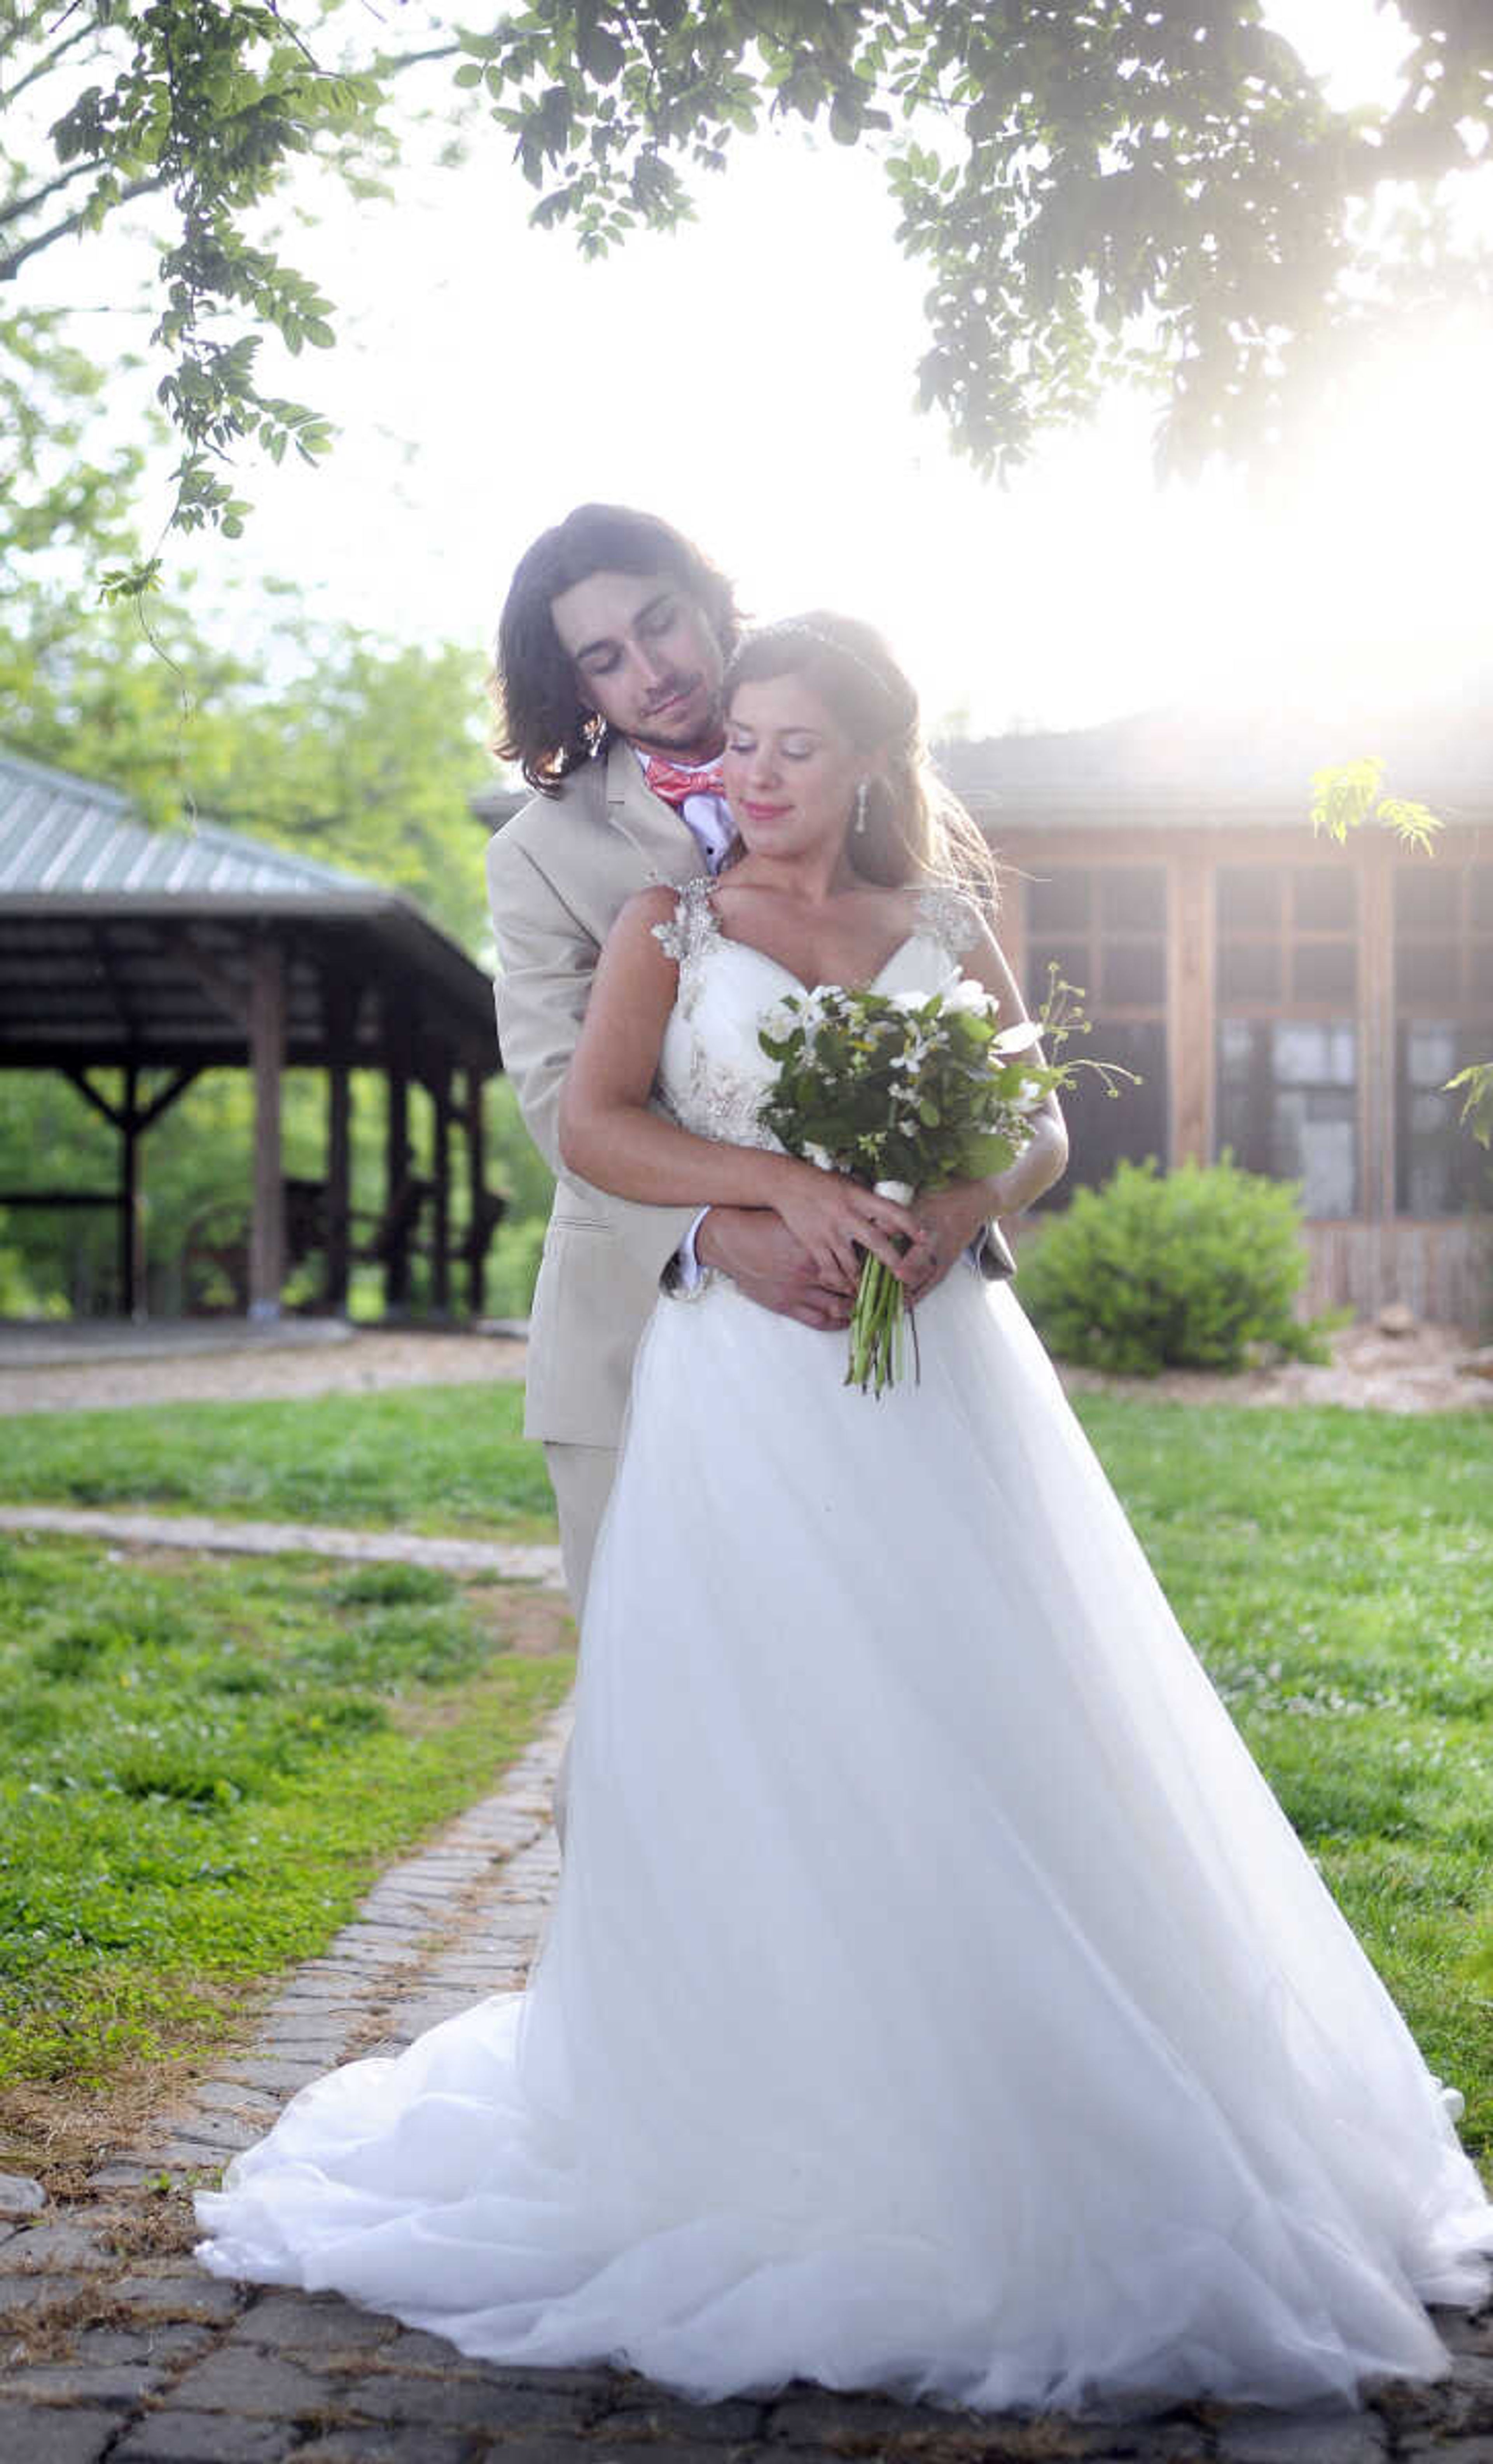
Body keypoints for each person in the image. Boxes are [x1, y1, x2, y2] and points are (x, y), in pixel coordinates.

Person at [195, 615, 1492, 2418]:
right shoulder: (674, 927)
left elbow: (1033, 1116)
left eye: (800, 743)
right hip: (751, 1387)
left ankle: (1023, 2079)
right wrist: (774, 1189)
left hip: (945, 1372)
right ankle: (776, 2106)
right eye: (742, 737)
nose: (758, 769)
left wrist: (959, 1201)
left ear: (873, 761)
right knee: (772, 1729)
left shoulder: (947, 928)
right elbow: (596, 1122)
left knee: (995, 1712)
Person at [486, 503, 1013, 1620]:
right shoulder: (542, 856)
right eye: (604, 659)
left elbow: (998, 1065)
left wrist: (953, 1207)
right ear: (576, 687)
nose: (652, 671)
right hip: (639, 1319)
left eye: (660, 623)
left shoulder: (856, 767)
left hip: (897, 1314)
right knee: (666, 1696)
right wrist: (723, 1236)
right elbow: (557, 1106)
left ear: (707, 598)